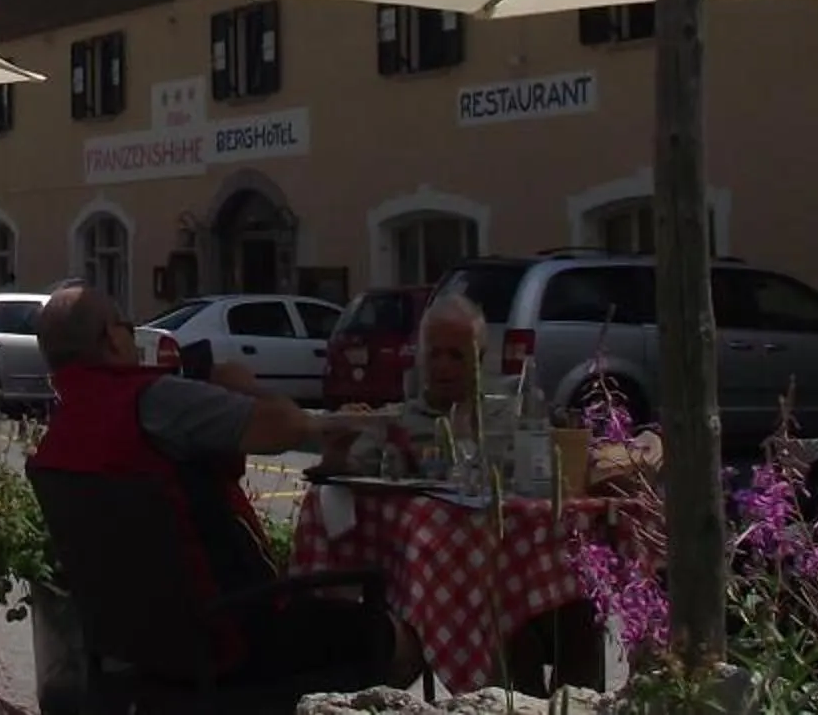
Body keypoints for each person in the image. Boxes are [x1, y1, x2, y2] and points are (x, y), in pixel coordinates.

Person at [28, 282, 404, 686]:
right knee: (398, 637)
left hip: (141, 650)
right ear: (111, 338)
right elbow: (286, 427)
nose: (134, 336)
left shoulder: (63, 432)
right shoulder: (153, 401)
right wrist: (240, 382)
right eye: (128, 326)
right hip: (234, 635)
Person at [392, 293, 494, 461]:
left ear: (480, 358)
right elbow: (357, 465)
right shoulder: (398, 423)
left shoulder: (501, 422)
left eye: (456, 356)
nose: (443, 366)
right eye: (434, 354)